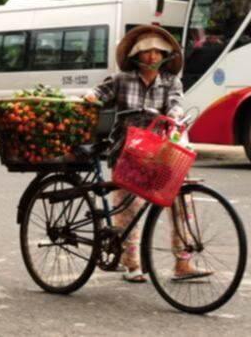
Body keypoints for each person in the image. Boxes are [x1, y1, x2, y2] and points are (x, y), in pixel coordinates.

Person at [85, 24, 210, 283]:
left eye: (157, 51)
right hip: (127, 152)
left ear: (164, 55)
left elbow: (176, 103)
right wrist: (89, 96)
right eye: (146, 51)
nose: (152, 56)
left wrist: (174, 115)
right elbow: (98, 94)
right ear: (136, 55)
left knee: (179, 200)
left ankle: (183, 262)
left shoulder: (170, 81)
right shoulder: (121, 80)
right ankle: (131, 263)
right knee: (129, 207)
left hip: (160, 151)